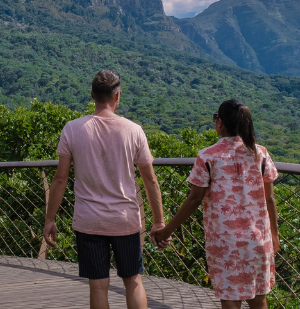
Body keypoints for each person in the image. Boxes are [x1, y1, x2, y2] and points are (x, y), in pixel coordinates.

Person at [42, 70, 166, 309]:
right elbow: (150, 180)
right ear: (117, 96)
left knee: (98, 285)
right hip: (125, 220)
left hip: (89, 220)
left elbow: (60, 178)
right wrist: (159, 221)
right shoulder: (133, 130)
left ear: (92, 95)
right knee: (133, 280)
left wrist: (49, 218)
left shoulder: (72, 129)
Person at [151, 99, 280, 309]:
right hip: (259, 239)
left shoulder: (208, 156)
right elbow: (269, 199)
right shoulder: (261, 154)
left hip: (225, 242)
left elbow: (194, 199)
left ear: (220, 123)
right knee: (259, 299)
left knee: (230, 298)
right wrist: (274, 235)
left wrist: (166, 231)